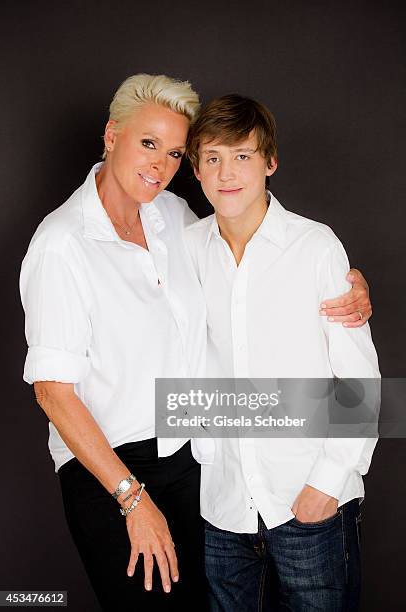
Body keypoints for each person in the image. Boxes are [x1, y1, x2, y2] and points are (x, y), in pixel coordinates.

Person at [20, 74, 371, 611]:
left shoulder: (173, 220)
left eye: (175, 152)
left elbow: (357, 380)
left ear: (268, 163)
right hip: (136, 476)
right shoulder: (66, 244)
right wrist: (132, 499)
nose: (160, 165)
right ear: (112, 135)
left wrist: (350, 283)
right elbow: (51, 391)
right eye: (148, 143)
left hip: (228, 473)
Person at [185, 94, 379, 611]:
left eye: (243, 156)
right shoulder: (185, 250)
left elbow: (362, 381)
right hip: (222, 507)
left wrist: (327, 484)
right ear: (196, 169)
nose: (227, 173)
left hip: (308, 501)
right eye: (212, 158)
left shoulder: (315, 248)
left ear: (270, 162)